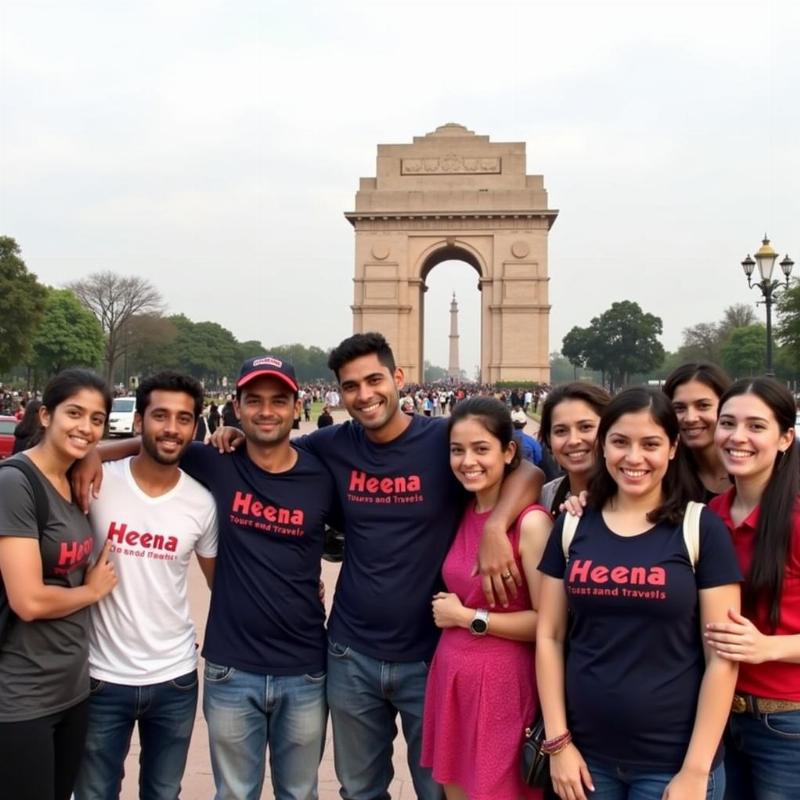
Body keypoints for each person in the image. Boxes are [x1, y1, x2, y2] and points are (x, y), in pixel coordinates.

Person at [211, 332, 542, 800]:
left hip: (430, 652)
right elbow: (274, 445)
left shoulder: (444, 440)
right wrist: (236, 433)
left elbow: (529, 466)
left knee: (438, 790)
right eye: (351, 386)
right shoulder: (329, 445)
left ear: (398, 378)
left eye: (374, 380)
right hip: (351, 653)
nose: (364, 396)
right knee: (361, 790)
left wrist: (496, 527)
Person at [73, 356, 334, 800]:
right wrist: (90, 455)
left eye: (278, 401)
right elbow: (156, 444)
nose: (266, 411)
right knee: (230, 792)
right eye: (254, 400)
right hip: (229, 668)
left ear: (297, 406)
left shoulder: (321, 477)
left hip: (303, 667)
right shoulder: (217, 463)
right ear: (236, 406)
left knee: (298, 792)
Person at [536, 387, 741, 800]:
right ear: (603, 445)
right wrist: (558, 744)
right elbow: (550, 636)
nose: (633, 458)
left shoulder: (701, 528)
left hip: (673, 762)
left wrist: (696, 770)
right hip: (585, 758)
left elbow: (723, 656)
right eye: (619, 442)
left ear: (672, 447)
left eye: (650, 444)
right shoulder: (573, 523)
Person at [74, 371, 217, 800]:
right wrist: (92, 454)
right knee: (95, 793)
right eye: (160, 415)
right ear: (138, 421)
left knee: (163, 792)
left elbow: (221, 585)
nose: (171, 428)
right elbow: (41, 459)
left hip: (174, 678)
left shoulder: (201, 502)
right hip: (100, 675)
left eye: (183, 418)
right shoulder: (95, 482)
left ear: (196, 426)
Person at [422, 397, 552, 799]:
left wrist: (467, 618)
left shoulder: (531, 525)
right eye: (457, 450)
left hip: (504, 692)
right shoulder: (462, 508)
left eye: (481, 449)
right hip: (453, 685)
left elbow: (549, 625)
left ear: (508, 451)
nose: (467, 461)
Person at [0, 368, 118, 800]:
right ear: (46, 415)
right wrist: (92, 591)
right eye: (74, 413)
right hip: (20, 694)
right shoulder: (16, 483)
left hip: (71, 688)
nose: (85, 428)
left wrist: (95, 453)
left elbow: (130, 447)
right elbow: (27, 600)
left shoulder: (71, 476)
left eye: (96, 419)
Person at [704, 377, 800, 800]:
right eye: (727, 423)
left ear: (785, 439)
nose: (737, 437)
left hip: (788, 725)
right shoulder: (712, 513)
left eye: (756, 426)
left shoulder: (797, 519)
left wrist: (769, 648)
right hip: (721, 717)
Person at [537, 383, 611, 515]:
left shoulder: (632, 500)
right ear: (549, 438)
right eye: (560, 431)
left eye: (586, 427)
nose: (573, 441)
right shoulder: (542, 498)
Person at [663, 362, 732, 500]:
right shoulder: (663, 477)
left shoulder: (751, 469)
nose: (690, 418)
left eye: (703, 406)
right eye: (679, 408)